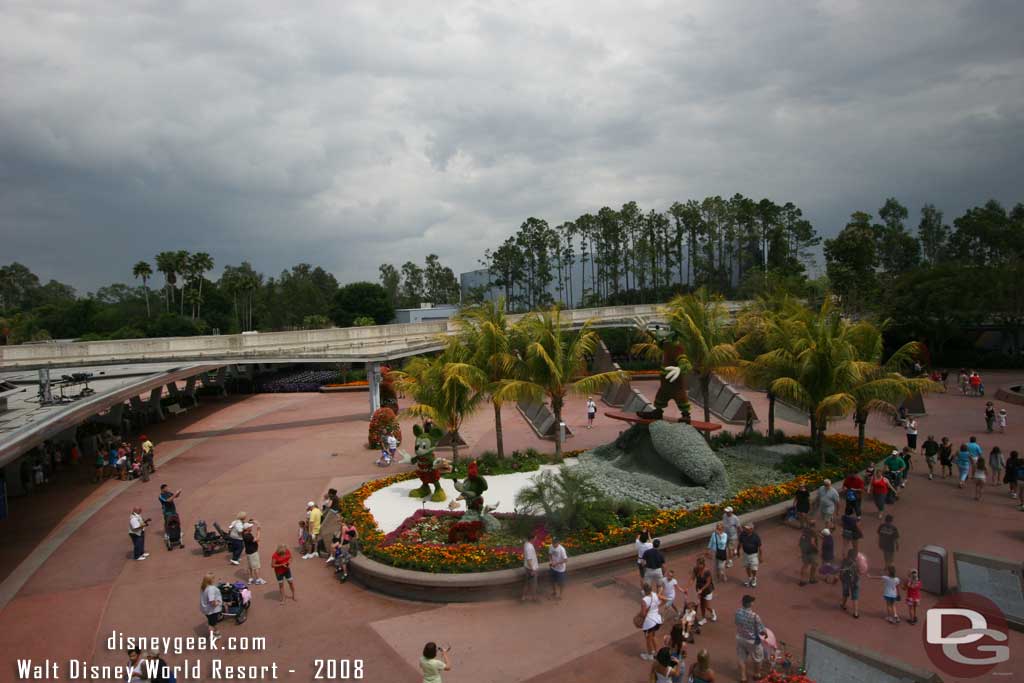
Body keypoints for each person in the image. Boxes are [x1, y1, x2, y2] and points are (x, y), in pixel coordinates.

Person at [734, 594, 766, 682]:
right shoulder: (755, 616)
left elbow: (736, 623)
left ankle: (743, 677)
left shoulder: (737, 612)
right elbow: (761, 630)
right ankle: (757, 674)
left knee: (741, 658)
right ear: (750, 604)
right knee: (758, 658)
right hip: (752, 641)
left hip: (740, 637)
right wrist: (765, 634)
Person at [638, 582, 664, 661]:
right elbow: (663, 600)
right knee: (653, 636)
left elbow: (643, 614)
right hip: (657, 620)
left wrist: (638, 616)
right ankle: (657, 652)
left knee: (648, 639)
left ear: (644, 590)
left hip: (649, 623)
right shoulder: (655, 594)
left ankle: (649, 655)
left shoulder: (644, 600)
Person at [688, 557, 716, 625]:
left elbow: (708, 582)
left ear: (703, 565)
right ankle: (703, 619)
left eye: (699, 564)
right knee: (701, 605)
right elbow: (692, 578)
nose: (697, 566)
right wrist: (688, 586)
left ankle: (712, 612)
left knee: (707, 606)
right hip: (699, 589)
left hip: (707, 590)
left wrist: (702, 589)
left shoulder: (707, 571)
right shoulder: (695, 569)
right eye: (697, 564)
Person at [738, 523, 763, 588]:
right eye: (745, 528)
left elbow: (760, 547)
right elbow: (740, 543)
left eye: (747, 529)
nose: (745, 529)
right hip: (745, 554)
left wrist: (760, 557)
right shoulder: (742, 534)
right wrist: (738, 551)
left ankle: (754, 578)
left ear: (751, 529)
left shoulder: (756, 536)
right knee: (747, 567)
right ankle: (749, 578)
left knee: (754, 568)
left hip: (753, 555)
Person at [199, 572, 223, 638]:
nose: (214, 579)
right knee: (212, 624)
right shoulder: (211, 589)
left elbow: (212, 588)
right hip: (212, 610)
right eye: (213, 578)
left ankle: (215, 633)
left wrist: (218, 583)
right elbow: (212, 602)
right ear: (211, 580)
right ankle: (214, 635)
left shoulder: (203, 586)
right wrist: (219, 603)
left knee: (211, 621)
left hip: (205, 609)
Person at [242, 520, 266, 585]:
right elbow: (257, 539)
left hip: (248, 552)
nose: (251, 528)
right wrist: (258, 531)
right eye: (250, 527)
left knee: (250, 566)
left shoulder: (244, 533)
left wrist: (255, 522)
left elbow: (247, 523)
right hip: (253, 552)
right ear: (247, 529)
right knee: (256, 567)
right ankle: (258, 579)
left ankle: (250, 579)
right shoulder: (249, 536)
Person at [839, 548, 861, 618]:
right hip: (855, 581)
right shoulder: (857, 563)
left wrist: (840, 578)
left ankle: (843, 605)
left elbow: (841, 571)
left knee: (845, 593)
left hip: (846, 581)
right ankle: (856, 613)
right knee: (855, 597)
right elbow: (860, 572)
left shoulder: (844, 561)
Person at [798, 521, 819, 586]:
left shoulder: (804, 531)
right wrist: (817, 549)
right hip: (811, 551)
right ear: (814, 525)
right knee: (815, 564)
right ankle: (812, 579)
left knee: (805, 565)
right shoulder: (813, 532)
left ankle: (802, 580)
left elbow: (800, 541)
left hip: (804, 551)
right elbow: (812, 542)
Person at [522, 534, 539, 602]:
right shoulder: (529, 547)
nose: (535, 539)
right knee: (534, 584)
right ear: (532, 539)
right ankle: (534, 597)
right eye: (535, 538)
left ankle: (524, 596)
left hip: (527, 567)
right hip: (531, 568)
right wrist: (533, 570)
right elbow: (529, 560)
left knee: (527, 583)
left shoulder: (526, 544)